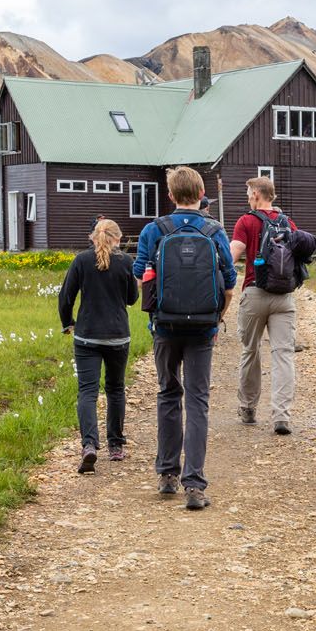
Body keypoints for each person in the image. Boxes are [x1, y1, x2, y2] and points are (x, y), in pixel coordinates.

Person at [133, 166, 236, 510]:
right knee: (198, 401)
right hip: (203, 328)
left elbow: (140, 275)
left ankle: (166, 476)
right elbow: (230, 281)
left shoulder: (154, 230)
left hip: (164, 326)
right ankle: (194, 485)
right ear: (201, 193)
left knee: (167, 393)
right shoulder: (214, 230)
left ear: (171, 195)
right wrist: (216, 318)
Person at [230, 176, 316, 436]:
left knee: (251, 350)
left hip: (254, 294)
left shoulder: (246, 221)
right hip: (284, 298)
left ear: (257, 194)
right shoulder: (288, 223)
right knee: (283, 354)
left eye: (248, 192)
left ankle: (248, 408)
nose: (247, 197)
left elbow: (231, 255)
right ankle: (281, 416)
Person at [58, 218, 138, 474]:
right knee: (115, 389)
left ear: (93, 237)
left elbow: (66, 296)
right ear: (118, 238)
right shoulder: (126, 262)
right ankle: (115, 445)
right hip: (117, 336)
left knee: (88, 392)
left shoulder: (81, 260)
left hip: (87, 336)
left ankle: (89, 445)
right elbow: (131, 299)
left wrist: (67, 322)